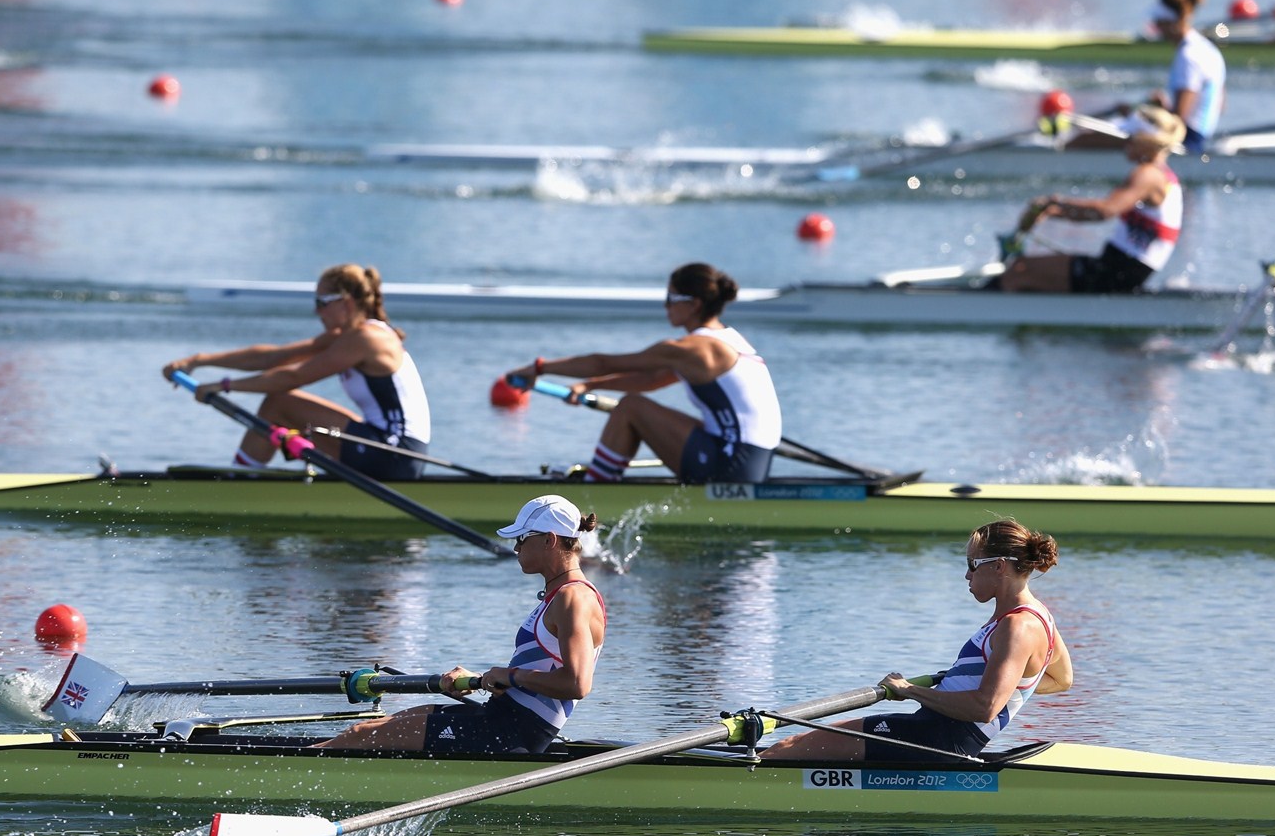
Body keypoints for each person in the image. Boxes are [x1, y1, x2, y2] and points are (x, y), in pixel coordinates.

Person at [763, 519, 1073, 763]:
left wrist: (912, 691)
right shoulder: (1040, 616)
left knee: (786, 749)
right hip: (935, 731)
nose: (967, 575)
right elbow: (1061, 679)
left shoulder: (1017, 627)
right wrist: (997, 682)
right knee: (796, 747)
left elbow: (985, 706)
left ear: (999, 566)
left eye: (971, 564)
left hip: (940, 740)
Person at [315, 495, 605, 754]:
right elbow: (539, 671)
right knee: (377, 725)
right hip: (499, 717)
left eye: (521, 538)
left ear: (549, 540)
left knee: (361, 735)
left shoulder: (573, 598)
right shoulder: (560, 595)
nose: (516, 548)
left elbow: (577, 684)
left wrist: (512, 675)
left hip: (511, 735)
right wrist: (482, 678)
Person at [507, 262, 782, 483]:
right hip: (749, 462)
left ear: (694, 304)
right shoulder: (729, 340)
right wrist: (588, 386)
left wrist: (540, 368)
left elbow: (605, 362)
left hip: (729, 466)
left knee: (630, 408)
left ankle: (595, 492)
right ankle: (603, 480)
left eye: (670, 298)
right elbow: (650, 380)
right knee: (644, 406)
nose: (665, 306)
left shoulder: (695, 348)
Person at [161, 264, 432, 480]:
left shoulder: (366, 339)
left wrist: (223, 386)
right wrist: (199, 360)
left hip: (395, 454)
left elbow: (293, 377)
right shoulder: (347, 336)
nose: (316, 311)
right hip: (388, 448)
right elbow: (273, 357)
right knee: (281, 406)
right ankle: (244, 479)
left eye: (322, 302)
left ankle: (237, 484)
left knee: (279, 403)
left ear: (346, 303)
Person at [998, 106, 1187, 294]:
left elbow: (1104, 211)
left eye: (1130, 138)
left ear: (1146, 141)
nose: (1124, 143)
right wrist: (1055, 212)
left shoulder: (1147, 174)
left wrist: (1054, 203)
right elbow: (1100, 212)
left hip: (1116, 274)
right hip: (1121, 271)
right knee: (1029, 271)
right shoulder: (1164, 176)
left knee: (1018, 271)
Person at [1149, 0, 1226, 154]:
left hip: (1188, 141)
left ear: (1171, 23)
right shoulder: (1209, 49)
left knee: (1090, 139)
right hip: (1201, 136)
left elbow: (1179, 118)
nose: (1155, 27)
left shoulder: (1188, 56)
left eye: (1158, 22)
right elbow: (1221, 106)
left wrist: (1154, 110)